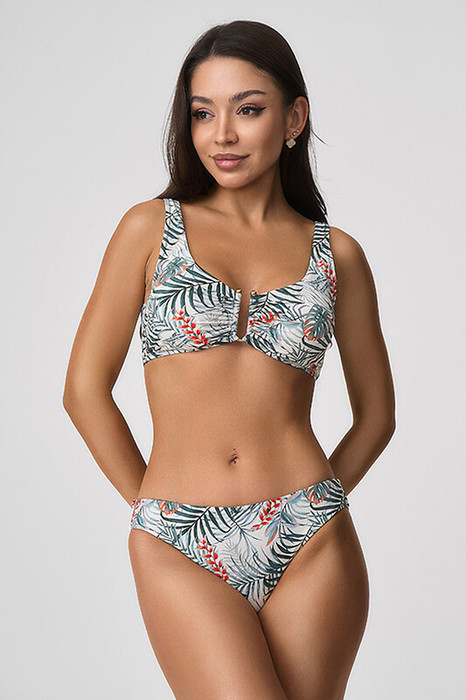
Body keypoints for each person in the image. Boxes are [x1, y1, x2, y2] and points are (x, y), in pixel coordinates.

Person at [63, 19, 396, 700]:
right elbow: (84, 389)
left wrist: (313, 505)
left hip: (311, 540)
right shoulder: (149, 229)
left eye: (247, 110)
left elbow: (378, 416)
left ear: (294, 118)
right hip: (178, 538)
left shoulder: (338, 256)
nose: (222, 134)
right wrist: (151, 510)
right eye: (202, 113)